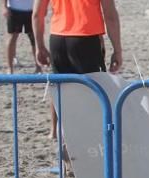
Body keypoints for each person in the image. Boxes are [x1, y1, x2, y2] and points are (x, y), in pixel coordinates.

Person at [32, 0, 121, 140]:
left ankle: (54, 130)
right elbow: (110, 15)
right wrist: (117, 50)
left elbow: (37, 14)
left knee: (59, 86)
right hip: (86, 36)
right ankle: (88, 131)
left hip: (57, 37)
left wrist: (39, 46)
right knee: (93, 88)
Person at [4, 0, 41, 74]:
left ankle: (38, 67)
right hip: (14, 9)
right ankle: (10, 68)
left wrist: (41, 7)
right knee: (12, 38)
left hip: (32, 9)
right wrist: (4, 7)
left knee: (34, 38)